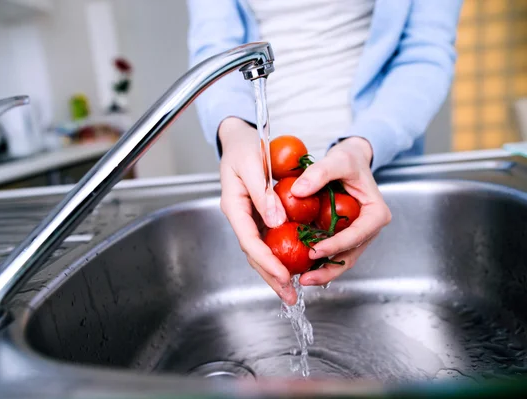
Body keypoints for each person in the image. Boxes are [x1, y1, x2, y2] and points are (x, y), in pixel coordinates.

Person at [186, 0, 463, 305]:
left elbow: (425, 50)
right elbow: (215, 43)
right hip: (263, 177)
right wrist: (234, 130)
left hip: (372, 166)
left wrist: (364, 144)